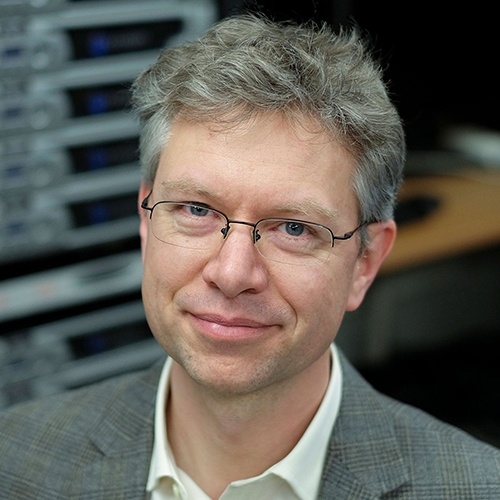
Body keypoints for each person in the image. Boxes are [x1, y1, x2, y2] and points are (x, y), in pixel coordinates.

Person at [1, 14, 499, 500]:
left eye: (295, 228)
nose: (232, 272)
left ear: (364, 264)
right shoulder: (14, 460)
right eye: (196, 209)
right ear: (145, 221)